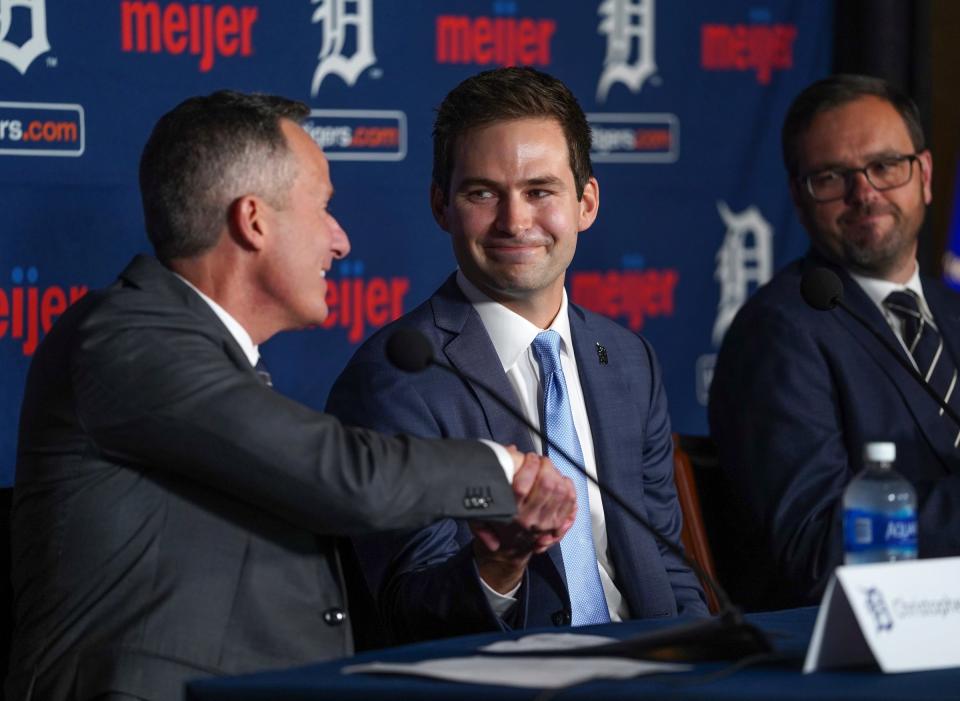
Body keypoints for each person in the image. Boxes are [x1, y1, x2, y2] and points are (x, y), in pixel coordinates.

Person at [5, 91, 577, 701]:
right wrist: (505, 469)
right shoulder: (125, 336)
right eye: (323, 208)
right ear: (253, 221)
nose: (340, 240)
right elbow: (340, 474)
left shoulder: (202, 352)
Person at [327, 67, 708, 645]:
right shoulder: (396, 378)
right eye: (482, 193)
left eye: (539, 191)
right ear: (440, 206)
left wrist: (710, 664)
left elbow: (670, 567)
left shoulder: (629, 359)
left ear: (586, 203)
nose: (515, 221)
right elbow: (407, 610)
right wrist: (498, 564)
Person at [709, 74, 960, 606]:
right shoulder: (778, 333)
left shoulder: (953, 311)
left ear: (926, 176)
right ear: (799, 200)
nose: (864, 193)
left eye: (886, 166)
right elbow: (815, 551)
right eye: (831, 176)